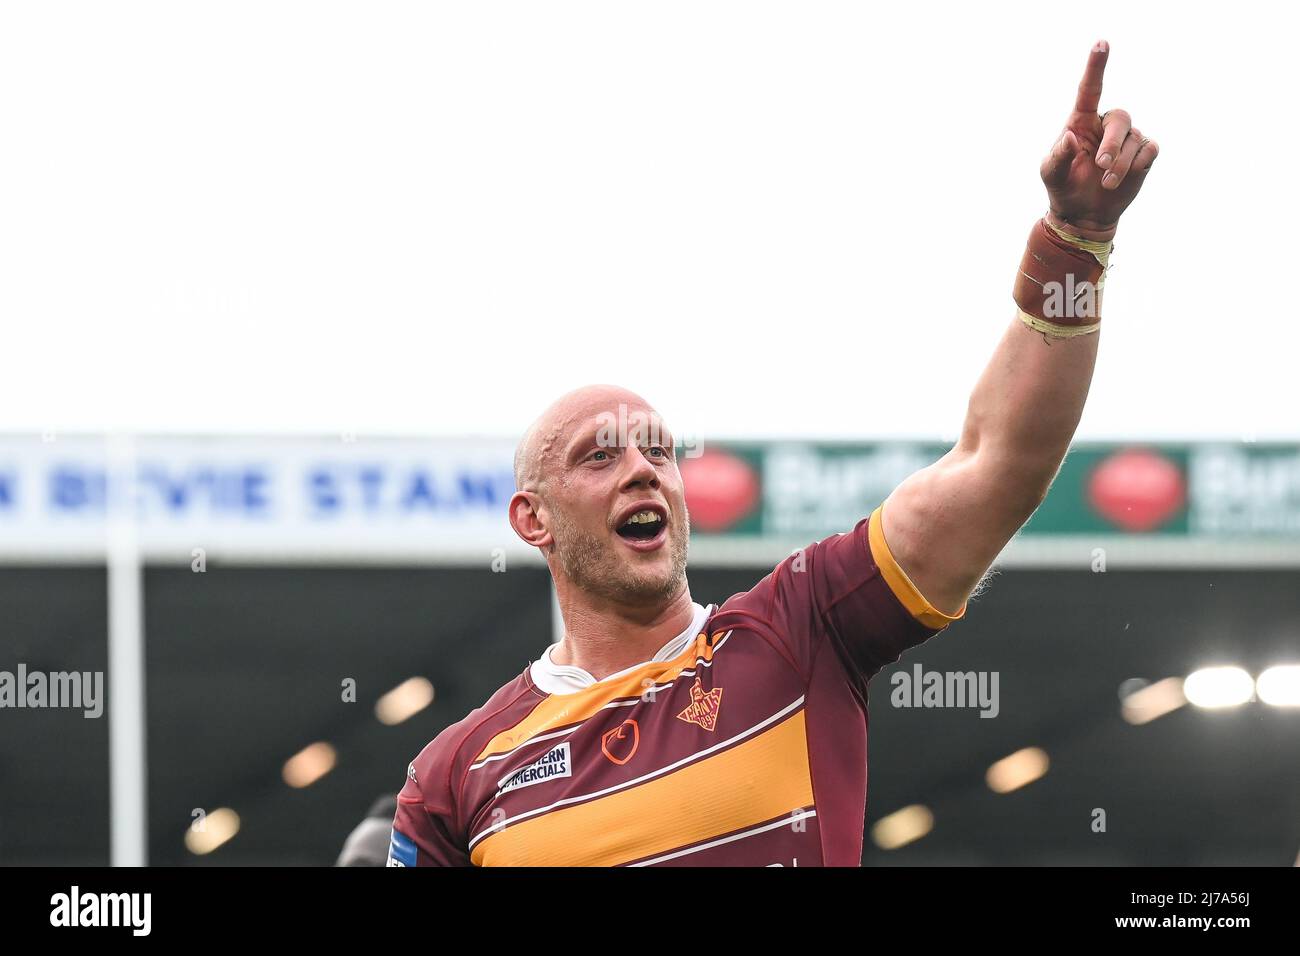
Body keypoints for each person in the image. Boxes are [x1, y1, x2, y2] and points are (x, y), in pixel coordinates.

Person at [387, 40, 1157, 866]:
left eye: (658, 450)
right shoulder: (454, 776)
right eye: (599, 457)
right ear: (530, 519)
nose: (644, 468)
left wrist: (1076, 239)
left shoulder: (802, 629)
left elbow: (996, 464)